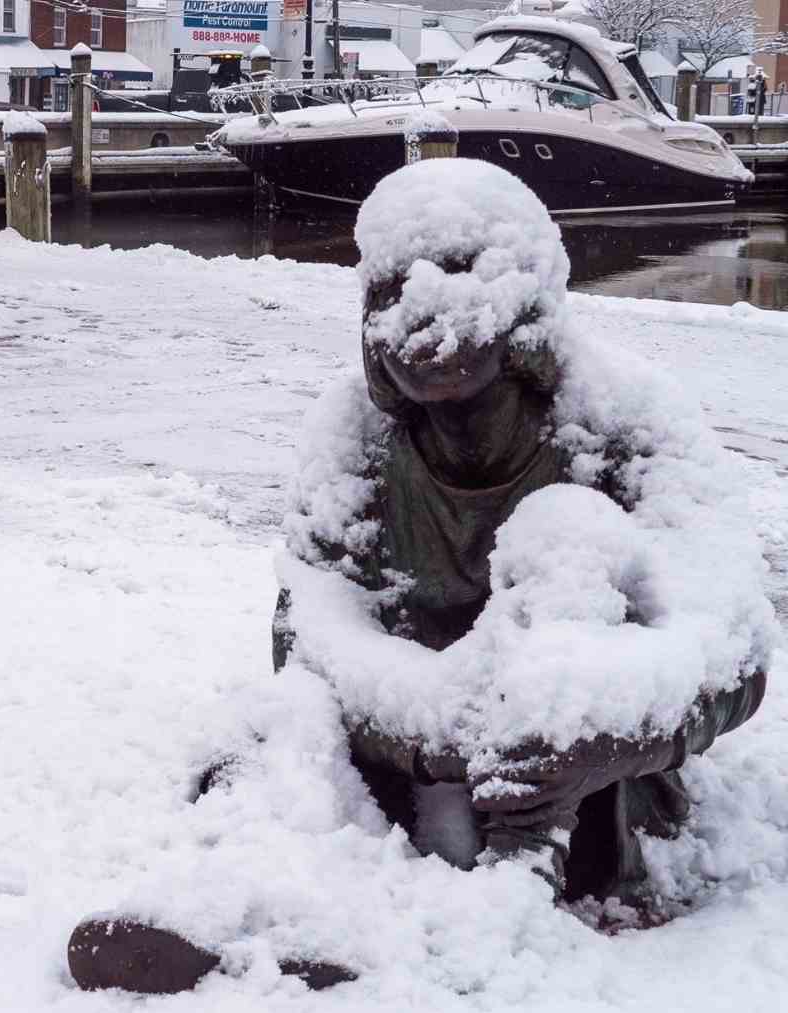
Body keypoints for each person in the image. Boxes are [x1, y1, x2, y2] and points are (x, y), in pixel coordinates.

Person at [68, 160, 770, 994]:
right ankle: (243, 898)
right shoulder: (355, 437)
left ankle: (494, 921)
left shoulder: (621, 423)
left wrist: (603, 728)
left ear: (526, 299)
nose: (424, 307)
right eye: (395, 285)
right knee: (271, 730)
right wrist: (433, 728)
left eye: (457, 276)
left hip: (569, 781)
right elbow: (309, 635)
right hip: (409, 752)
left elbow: (731, 636)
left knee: (565, 545)